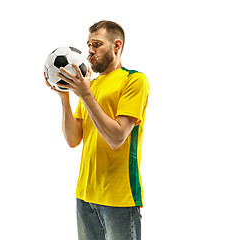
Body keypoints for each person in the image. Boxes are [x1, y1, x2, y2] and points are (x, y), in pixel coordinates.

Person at [44, 20, 149, 240]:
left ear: (116, 46)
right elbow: (73, 139)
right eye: (88, 44)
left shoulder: (134, 80)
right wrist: (64, 97)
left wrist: (85, 95)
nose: (89, 51)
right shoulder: (91, 86)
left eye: (97, 44)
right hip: (85, 195)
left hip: (119, 199)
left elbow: (117, 137)